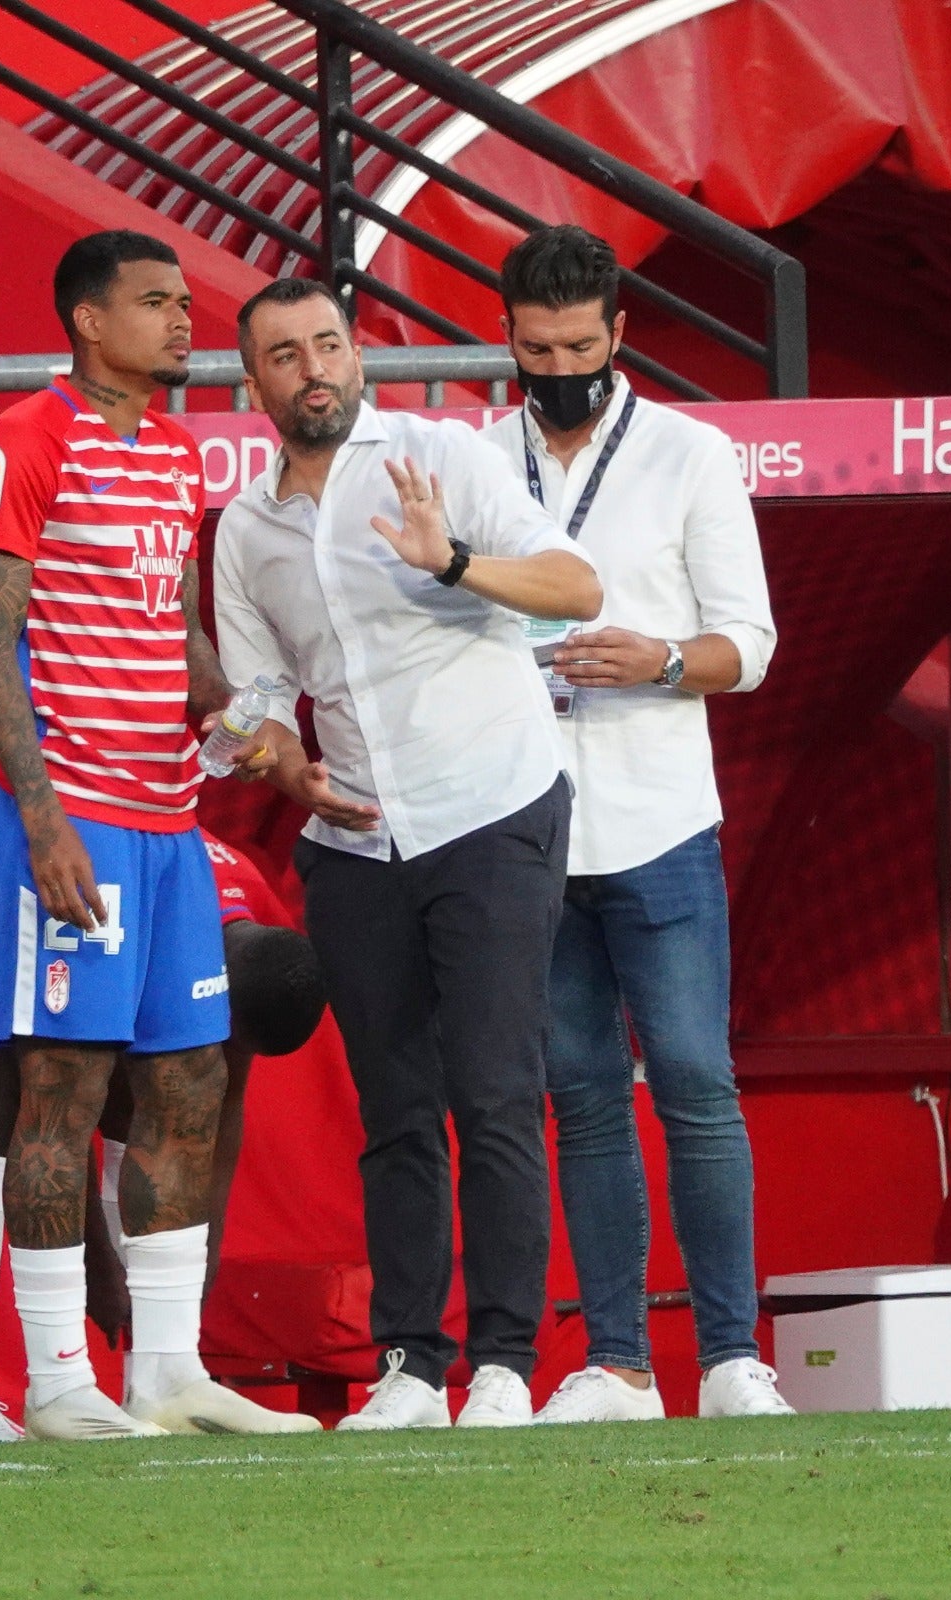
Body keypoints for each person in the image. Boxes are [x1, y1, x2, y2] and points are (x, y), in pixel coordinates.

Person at [214, 278, 603, 1430]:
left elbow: (575, 587)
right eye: (284, 354)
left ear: (356, 354)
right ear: (255, 385)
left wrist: (452, 562)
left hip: (490, 808)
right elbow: (252, 701)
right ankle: (410, 1364)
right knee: (393, 1111)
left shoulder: (440, 456)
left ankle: (499, 1367)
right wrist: (273, 760)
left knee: (493, 1094)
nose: (313, 367)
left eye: (328, 342)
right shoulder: (243, 530)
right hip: (354, 838)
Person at [0, 229, 316, 1440]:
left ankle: (165, 1367)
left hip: (169, 823)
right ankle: (58, 1375)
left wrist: (233, 713)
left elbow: (168, 626)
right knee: (62, 1084)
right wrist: (42, 817)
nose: (182, 322)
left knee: (188, 1080)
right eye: (155, 303)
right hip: (74, 820)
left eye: (185, 301)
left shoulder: (175, 454)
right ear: (86, 323)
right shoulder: (22, 442)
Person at [482, 224, 791, 1422]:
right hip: (520, 821)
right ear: (506, 340)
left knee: (696, 1080)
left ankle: (727, 1356)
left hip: (658, 815)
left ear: (618, 335)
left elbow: (748, 646)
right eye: (531, 346)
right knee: (579, 1091)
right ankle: (615, 1361)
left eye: (574, 343)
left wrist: (659, 656)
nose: (554, 363)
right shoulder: (473, 458)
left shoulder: (687, 453)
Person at [0, 806, 327, 1442]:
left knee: (163, 1096)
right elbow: (58, 1107)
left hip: (117, 897)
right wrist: (96, 1267)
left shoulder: (253, 914)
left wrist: (193, 1276)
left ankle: (159, 1381)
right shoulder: (130, 919)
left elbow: (217, 1108)